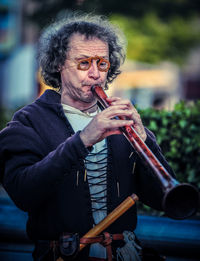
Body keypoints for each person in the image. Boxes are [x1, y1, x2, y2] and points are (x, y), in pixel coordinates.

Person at [0, 13, 174, 261]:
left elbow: (162, 200)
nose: (95, 74)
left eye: (102, 64)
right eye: (84, 63)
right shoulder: (28, 121)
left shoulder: (121, 120)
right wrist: (83, 139)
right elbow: (24, 193)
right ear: (59, 63)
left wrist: (145, 139)